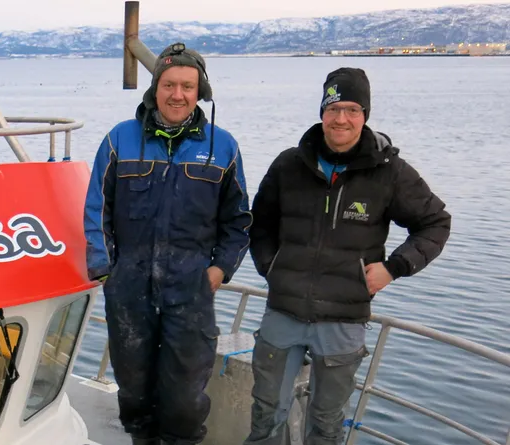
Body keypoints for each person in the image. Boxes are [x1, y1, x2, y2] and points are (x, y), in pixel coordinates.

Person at [244, 67, 451, 445]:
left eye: (352, 110)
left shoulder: (389, 173)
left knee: (326, 422)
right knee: (265, 413)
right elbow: (260, 224)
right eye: (334, 108)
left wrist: (393, 268)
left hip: (343, 322)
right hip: (282, 312)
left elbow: (435, 223)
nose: (342, 119)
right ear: (322, 112)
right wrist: (271, 268)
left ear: (365, 116)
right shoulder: (288, 165)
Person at [83, 42, 252, 445]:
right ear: (155, 88)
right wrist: (107, 270)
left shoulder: (222, 147)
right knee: (134, 389)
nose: (178, 95)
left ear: (201, 92)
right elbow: (96, 210)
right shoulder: (118, 140)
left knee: (185, 398)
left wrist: (219, 269)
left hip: (191, 292)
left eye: (188, 87)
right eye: (169, 84)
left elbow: (239, 220)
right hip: (129, 291)